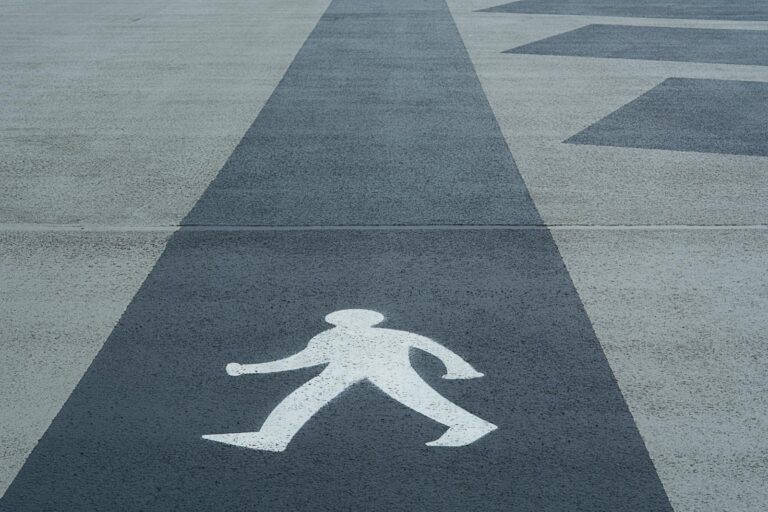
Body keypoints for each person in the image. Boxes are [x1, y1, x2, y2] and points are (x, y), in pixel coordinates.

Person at [203, 309, 497, 451]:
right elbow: (299, 361)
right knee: (306, 396)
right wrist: (250, 369)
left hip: (382, 369)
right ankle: (271, 437)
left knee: (417, 396)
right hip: (344, 372)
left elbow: (428, 345)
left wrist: (458, 367)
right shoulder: (330, 337)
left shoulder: (376, 336)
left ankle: (471, 424)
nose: (348, 324)